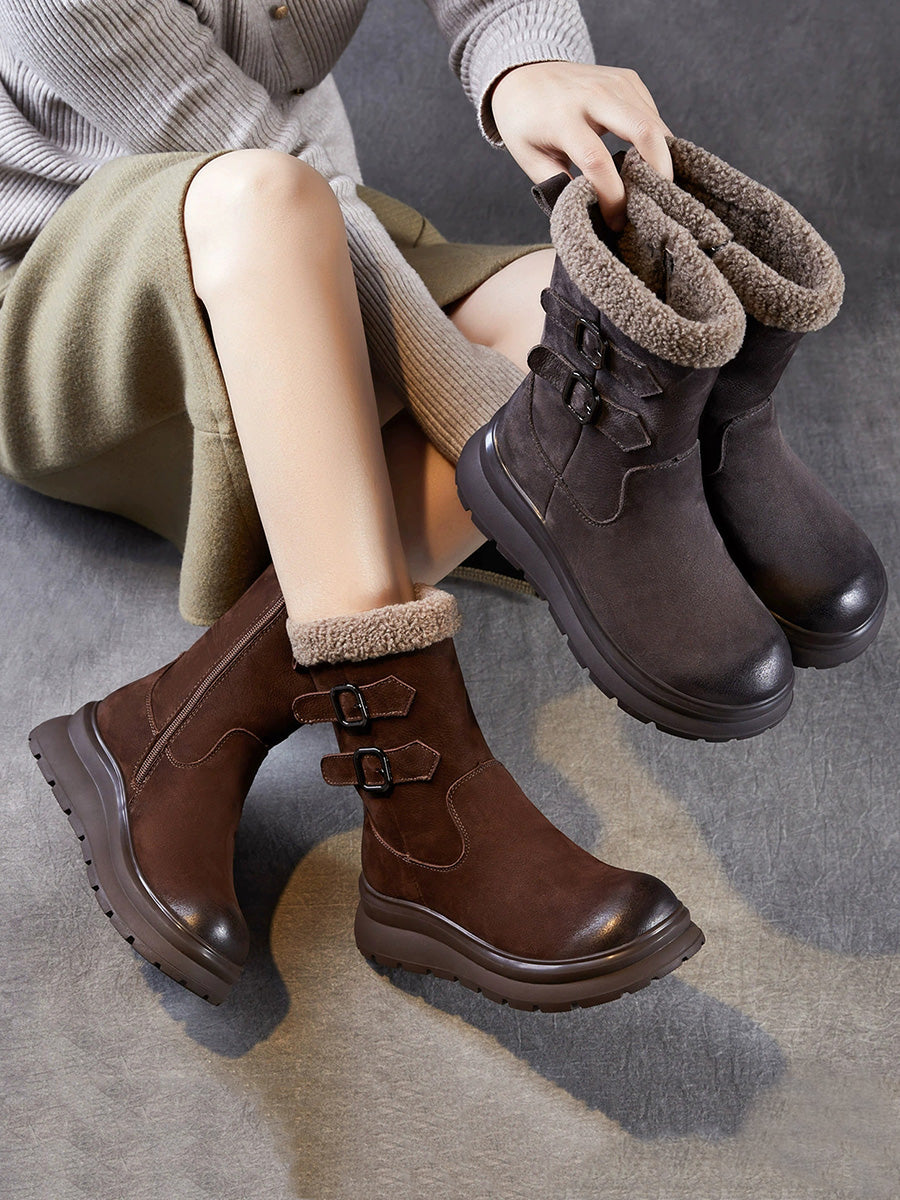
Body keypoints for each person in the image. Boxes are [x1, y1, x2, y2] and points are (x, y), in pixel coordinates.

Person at [4, 1, 704, 1011]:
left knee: (597, 321)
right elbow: (239, 155)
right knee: (267, 197)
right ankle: (426, 823)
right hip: (69, 314)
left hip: (311, 256)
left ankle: (173, 723)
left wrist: (523, 63)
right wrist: (506, 438)